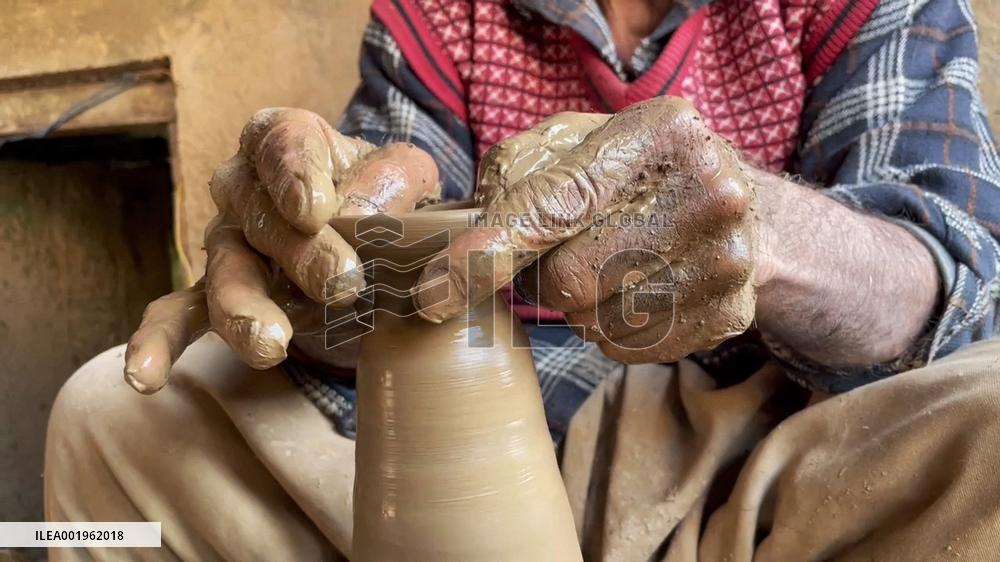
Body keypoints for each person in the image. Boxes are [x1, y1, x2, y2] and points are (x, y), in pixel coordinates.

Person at [44, 0, 1000, 560]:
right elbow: (385, 259)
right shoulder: (441, 15)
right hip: (521, 418)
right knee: (113, 411)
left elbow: (949, 286)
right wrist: (320, 259)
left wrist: (768, 225)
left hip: (779, 459)